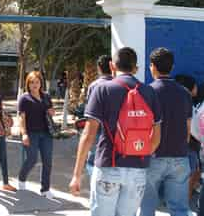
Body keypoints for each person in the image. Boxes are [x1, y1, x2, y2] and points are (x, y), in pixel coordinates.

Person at [69, 47, 161, 216]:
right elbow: (156, 138)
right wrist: (139, 153)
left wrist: (77, 174)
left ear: (112, 66)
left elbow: (89, 135)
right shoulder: (149, 92)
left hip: (108, 166)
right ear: (136, 68)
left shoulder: (102, 89)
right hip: (137, 170)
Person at [139, 48, 192, 216]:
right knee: (179, 209)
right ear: (172, 66)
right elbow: (188, 130)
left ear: (152, 66)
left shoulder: (146, 92)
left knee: (147, 207)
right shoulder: (185, 93)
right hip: (179, 157)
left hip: (153, 156)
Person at [18, 71, 55, 199]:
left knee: (48, 161)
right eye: (32, 82)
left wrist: (51, 111)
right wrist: (24, 134)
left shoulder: (46, 96)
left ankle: (45, 189)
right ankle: (22, 178)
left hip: (46, 134)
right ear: (28, 84)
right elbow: (22, 118)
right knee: (32, 159)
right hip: (31, 133)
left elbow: (51, 112)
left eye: (37, 82)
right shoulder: (24, 98)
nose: (35, 84)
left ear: (41, 83)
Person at [175, 74, 201, 204]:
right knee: (192, 172)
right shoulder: (189, 105)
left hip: (177, 145)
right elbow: (191, 127)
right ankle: (184, 201)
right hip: (190, 144)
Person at [85, 54, 112, 176]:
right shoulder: (119, 83)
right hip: (114, 129)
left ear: (99, 68)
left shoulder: (94, 86)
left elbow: (90, 109)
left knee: (92, 160)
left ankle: (95, 182)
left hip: (96, 129)